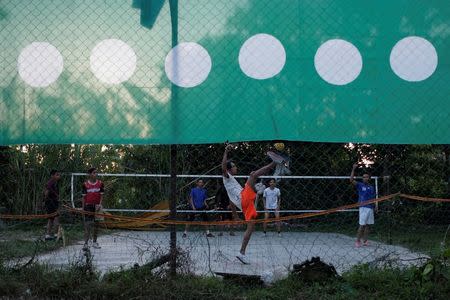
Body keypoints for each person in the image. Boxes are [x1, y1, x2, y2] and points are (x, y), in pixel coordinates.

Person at [222, 144, 278, 264]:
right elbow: (223, 167)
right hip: (244, 198)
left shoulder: (231, 183)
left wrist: (236, 216)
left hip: (244, 205)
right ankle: (274, 163)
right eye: (234, 166)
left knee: (250, 228)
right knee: (253, 175)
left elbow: (231, 202)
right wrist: (226, 152)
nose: (236, 167)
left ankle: (241, 253)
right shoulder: (227, 177)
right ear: (229, 170)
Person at [350, 163, 376, 248]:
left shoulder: (371, 187)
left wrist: (375, 206)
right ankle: (357, 241)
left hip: (370, 208)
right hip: (363, 208)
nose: (365, 178)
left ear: (369, 178)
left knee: (368, 225)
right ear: (362, 178)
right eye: (364, 177)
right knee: (362, 225)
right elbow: (351, 180)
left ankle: (365, 241)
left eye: (366, 177)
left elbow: (373, 198)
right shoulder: (360, 185)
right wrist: (353, 169)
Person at [82, 167, 104, 250]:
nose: (96, 174)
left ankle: (95, 242)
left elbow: (102, 195)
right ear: (90, 174)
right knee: (87, 225)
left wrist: (99, 205)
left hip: (97, 206)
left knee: (96, 225)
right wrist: (83, 208)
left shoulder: (100, 183)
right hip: (88, 206)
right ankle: (86, 243)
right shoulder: (85, 184)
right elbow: (83, 198)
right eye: (94, 173)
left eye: (96, 173)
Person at [44, 169, 61, 240]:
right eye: (57, 175)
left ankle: (48, 235)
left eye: (59, 175)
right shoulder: (50, 183)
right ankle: (56, 234)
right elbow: (46, 193)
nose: (59, 176)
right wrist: (47, 200)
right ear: (52, 176)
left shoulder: (54, 183)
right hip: (51, 203)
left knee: (51, 219)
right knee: (56, 218)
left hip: (53, 202)